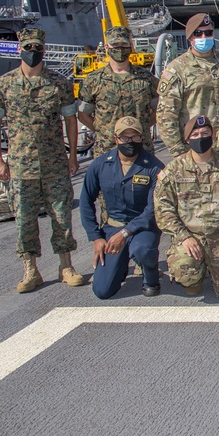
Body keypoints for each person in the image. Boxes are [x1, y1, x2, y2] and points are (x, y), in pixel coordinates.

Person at [0, 26, 85, 293]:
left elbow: (70, 121)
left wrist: (72, 155)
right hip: (20, 165)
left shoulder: (59, 84)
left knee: (62, 217)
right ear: (20, 49)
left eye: (37, 48)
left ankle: (66, 266)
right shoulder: (3, 85)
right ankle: (30, 270)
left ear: (44, 50)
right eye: (28, 48)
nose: (33, 53)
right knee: (24, 220)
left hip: (54, 163)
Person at [153, 115, 219, 299]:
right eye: (195, 134)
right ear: (187, 139)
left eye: (205, 133)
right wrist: (183, 237)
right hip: (190, 236)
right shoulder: (173, 170)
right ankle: (195, 275)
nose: (200, 137)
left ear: (214, 135)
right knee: (184, 271)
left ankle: (212, 266)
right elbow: (163, 209)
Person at [80, 117, 164, 299]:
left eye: (135, 137)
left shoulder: (154, 167)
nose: (130, 142)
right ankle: (120, 265)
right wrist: (96, 237)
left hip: (142, 228)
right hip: (112, 229)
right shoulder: (100, 165)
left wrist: (126, 232)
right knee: (102, 291)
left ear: (142, 138)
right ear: (115, 139)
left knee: (143, 249)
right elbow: (86, 201)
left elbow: (153, 208)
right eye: (125, 138)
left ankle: (150, 277)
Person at [155, 13, 219, 157]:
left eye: (208, 33)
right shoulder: (177, 69)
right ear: (190, 38)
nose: (203, 37)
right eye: (198, 33)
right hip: (195, 148)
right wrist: (179, 152)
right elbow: (166, 115)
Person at [78, 25, 159, 155]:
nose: (120, 49)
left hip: (141, 148)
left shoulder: (147, 78)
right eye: (115, 45)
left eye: (124, 44)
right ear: (106, 47)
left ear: (130, 46)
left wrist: (141, 127)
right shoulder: (93, 80)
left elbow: (159, 110)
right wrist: (104, 131)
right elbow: (83, 115)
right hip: (107, 150)